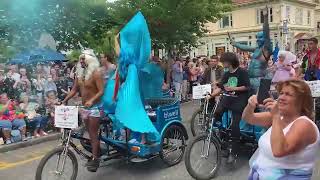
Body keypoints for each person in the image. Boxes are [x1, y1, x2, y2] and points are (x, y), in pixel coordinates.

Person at [242, 79, 319, 179]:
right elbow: (248, 118)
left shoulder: (304, 124)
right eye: (281, 93)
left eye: (288, 94)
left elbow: (279, 151)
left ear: (301, 101)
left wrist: (276, 116)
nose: (281, 97)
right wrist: (250, 105)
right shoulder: (280, 117)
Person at [62, 50, 104, 172]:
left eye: (83, 59)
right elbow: (74, 90)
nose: (80, 61)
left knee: (92, 134)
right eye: (80, 59)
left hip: (95, 108)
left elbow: (101, 91)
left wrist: (92, 100)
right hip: (85, 108)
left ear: (90, 60)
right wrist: (64, 100)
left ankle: (95, 159)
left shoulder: (96, 73)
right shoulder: (79, 75)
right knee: (86, 133)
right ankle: (96, 151)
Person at [206, 52, 250, 163]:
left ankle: (233, 152)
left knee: (235, 125)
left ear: (229, 62)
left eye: (223, 61)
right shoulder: (226, 74)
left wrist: (233, 88)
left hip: (239, 100)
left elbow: (246, 87)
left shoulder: (242, 72)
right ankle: (222, 137)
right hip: (227, 99)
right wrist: (211, 96)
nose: (222, 63)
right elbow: (220, 88)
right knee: (214, 116)